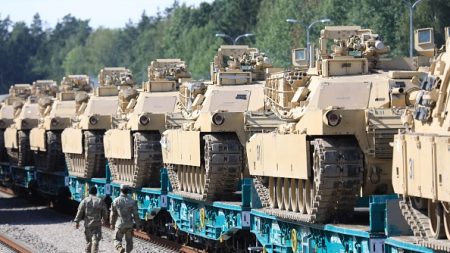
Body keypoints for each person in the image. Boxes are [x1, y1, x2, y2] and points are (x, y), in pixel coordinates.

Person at [74, 186, 108, 253]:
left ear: (89, 192)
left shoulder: (85, 200)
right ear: (96, 192)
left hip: (88, 224)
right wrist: (104, 219)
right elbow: (105, 211)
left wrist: (77, 222)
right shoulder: (100, 201)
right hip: (97, 224)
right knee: (95, 240)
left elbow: (80, 211)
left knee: (89, 241)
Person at [110, 184, 142, 253]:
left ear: (120, 190)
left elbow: (113, 214)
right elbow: (136, 214)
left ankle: (119, 247)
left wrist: (112, 223)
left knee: (117, 239)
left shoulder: (116, 201)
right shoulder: (132, 201)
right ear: (128, 191)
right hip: (129, 224)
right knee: (129, 242)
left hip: (120, 224)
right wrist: (138, 225)